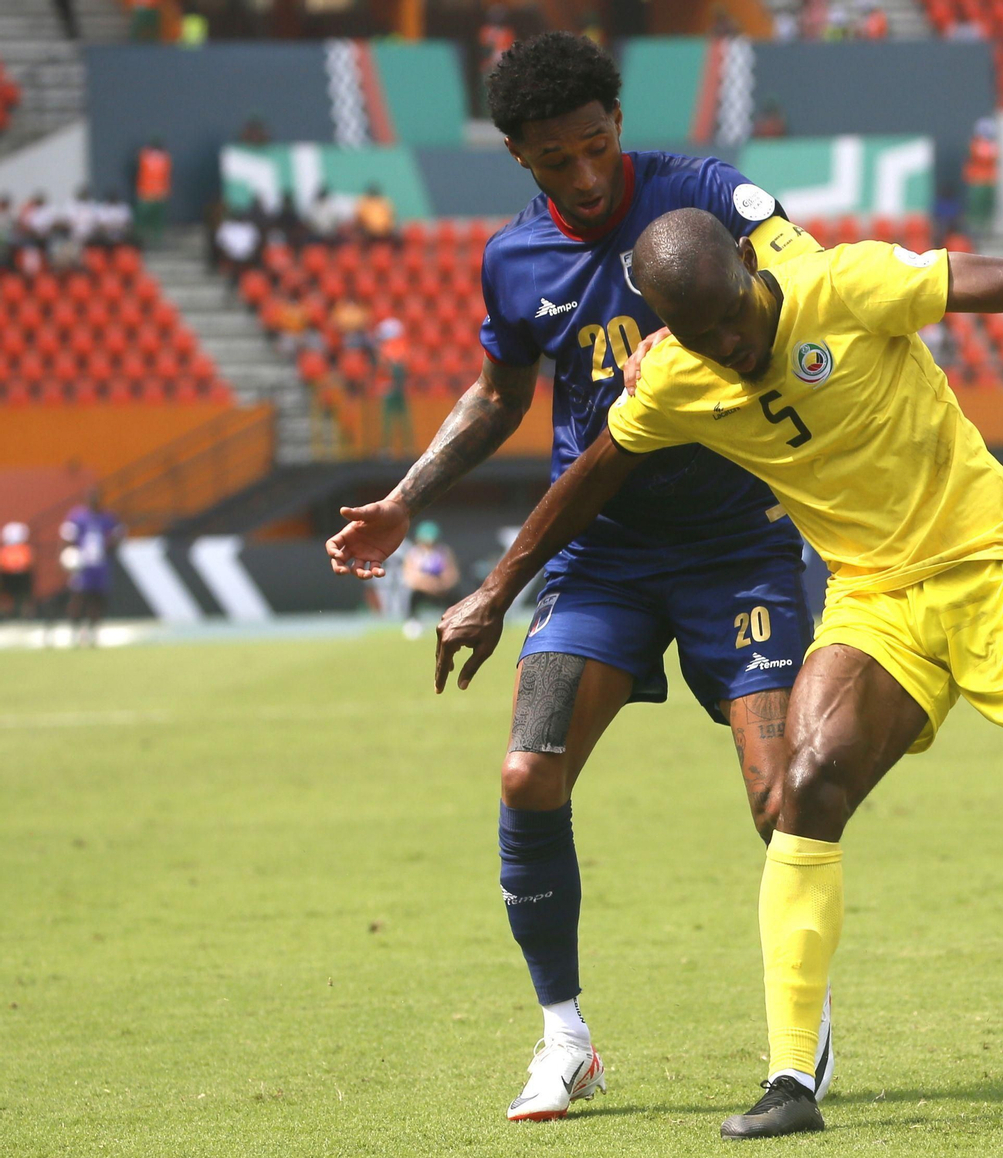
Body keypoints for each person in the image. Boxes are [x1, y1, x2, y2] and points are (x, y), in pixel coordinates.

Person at [432, 208, 1003, 1139]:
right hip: (874, 602)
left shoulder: (850, 286)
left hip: (992, 569)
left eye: (733, 320)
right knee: (804, 788)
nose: (731, 347)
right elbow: (594, 471)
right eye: (702, 335)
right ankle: (791, 1079)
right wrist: (496, 591)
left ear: (749, 264)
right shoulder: (671, 376)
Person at [322, 32, 835, 1124]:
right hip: (596, 553)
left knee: (780, 798)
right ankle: (565, 1039)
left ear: (618, 122)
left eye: (598, 147)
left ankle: (800, 1034)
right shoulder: (513, 260)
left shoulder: (708, 196)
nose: (586, 176)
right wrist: (407, 497)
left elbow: (808, 285)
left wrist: (708, 333)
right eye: (557, 161)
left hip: (736, 540)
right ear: (519, 156)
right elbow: (501, 395)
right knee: (525, 776)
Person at [60, 491, 123, 647]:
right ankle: (74, 633)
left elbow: (118, 534)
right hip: (82, 565)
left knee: (98, 599)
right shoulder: (78, 517)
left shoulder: (108, 517)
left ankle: (93, 633)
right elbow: (67, 538)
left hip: (101, 565)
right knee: (78, 597)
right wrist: (66, 557)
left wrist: (110, 545)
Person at [401, 521, 461, 640]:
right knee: (412, 596)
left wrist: (441, 585)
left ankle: (455, 624)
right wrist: (428, 585)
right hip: (422, 590)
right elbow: (409, 577)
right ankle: (413, 623)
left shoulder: (444, 552)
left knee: (456, 597)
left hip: (442, 590)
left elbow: (453, 575)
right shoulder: (413, 554)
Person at [375, 318, 413, 458]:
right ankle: (393, 447)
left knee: (398, 419)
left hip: (394, 388)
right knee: (392, 419)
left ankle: (399, 447)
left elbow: (395, 366)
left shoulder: (392, 348)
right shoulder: (397, 348)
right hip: (391, 388)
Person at [962, 117, 999, 235]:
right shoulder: (974, 144)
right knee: (976, 206)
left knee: (987, 207)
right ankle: (974, 228)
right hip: (977, 180)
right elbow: (978, 156)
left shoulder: (993, 145)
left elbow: (994, 158)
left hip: (989, 180)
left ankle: (987, 229)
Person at [133, 138, 171, 246]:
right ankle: (144, 234)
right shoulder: (161, 157)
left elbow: (166, 175)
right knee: (145, 215)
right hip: (149, 190)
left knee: (156, 217)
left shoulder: (159, 157)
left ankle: (155, 236)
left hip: (154, 191)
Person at [0, 522, 36, 621]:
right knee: (7, 596)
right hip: (9, 576)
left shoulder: (24, 549)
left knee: (24, 596)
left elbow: (27, 563)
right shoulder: (6, 550)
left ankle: (26, 615)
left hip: (21, 576)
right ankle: (6, 615)